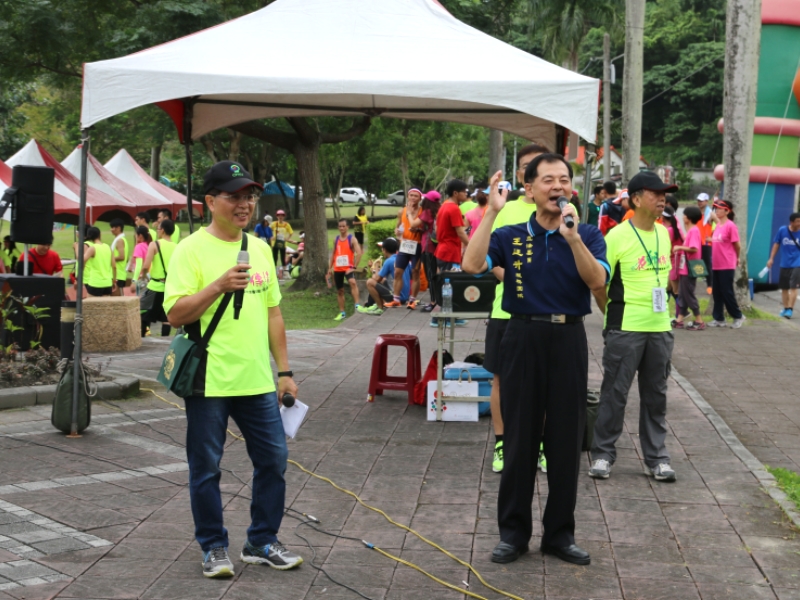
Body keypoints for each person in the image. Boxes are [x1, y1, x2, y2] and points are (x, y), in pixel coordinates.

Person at [463, 155, 609, 567]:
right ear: (529, 189)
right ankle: (513, 533)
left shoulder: (589, 235)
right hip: (522, 335)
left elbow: (597, 282)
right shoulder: (509, 234)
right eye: (548, 180)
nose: (558, 187)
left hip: (569, 338)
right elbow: (472, 265)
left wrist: (573, 237)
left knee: (565, 441)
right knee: (520, 439)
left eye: (564, 180)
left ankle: (560, 535)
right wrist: (490, 213)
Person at [164, 160, 302, 578]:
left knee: (274, 460)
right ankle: (213, 545)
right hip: (209, 380)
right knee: (206, 468)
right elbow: (174, 313)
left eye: (249, 196)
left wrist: (284, 372)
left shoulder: (260, 246)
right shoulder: (190, 249)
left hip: (257, 379)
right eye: (234, 196)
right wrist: (217, 286)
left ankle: (261, 540)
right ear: (210, 201)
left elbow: (273, 314)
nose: (244, 204)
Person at [589, 171, 678, 484]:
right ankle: (602, 453)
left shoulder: (664, 233)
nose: (662, 199)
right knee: (615, 393)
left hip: (660, 327)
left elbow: (663, 278)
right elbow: (599, 284)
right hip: (625, 328)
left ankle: (657, 458)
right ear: (636, 198)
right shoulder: (616, 237)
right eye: (656, 193)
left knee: (657, 395)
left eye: (664, 193)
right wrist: (611, 316)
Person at [479, 142, 549, 475]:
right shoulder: (505, 210)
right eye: (525, 165)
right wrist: (522, 281)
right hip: (506, 312)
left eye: (539, 164)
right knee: (501, 380)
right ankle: (503, 443)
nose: (531, 170)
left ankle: (537, 445)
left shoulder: (564, 211)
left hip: (546, 314)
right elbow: (488, 261)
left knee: (543, 381)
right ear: (521, 175)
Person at [385, 188, 423, 309]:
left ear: (420, 198)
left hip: (417, 245)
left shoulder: (423, 212)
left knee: (415, 272)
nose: (413, 198)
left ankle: (412, 300)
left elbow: (426, 230)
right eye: (411, 195)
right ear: (407, 196)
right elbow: (397, 226)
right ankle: (396, 299)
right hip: (404, 245)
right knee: (397, 272)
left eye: (416, 196)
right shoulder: (402, 211)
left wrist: (417, 230)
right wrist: (397, 231)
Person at [709, 199, 745, 328]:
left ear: (727, 211)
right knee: (717, 292)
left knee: (726, 291)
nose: (717, 210)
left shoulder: (731, 226)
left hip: (727, 264)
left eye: (720, 208)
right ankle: (719, 319)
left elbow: (737, 245)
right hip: (716, 264)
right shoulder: (718, 225)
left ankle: (738, 316)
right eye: (716, 208)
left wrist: (737, 258)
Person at [139, 219, 177, 337]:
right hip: (170, 287)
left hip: (155, 286)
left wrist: (143, 275)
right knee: (166, 317)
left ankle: (143, 338)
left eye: (158, 229)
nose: (157, 231)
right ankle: (165, 342)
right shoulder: (177, 246)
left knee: (142, 311)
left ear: (163, 230)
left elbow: (146, 265)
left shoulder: (154, 244)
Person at [357, 238, 411, 315]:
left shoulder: (388, 261)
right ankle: (373, 304)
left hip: (397, 298)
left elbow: (376, 279)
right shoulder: (403, 259)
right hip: (405, 296)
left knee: (369, 282)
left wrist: (375, 267)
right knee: (383, 280)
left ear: (384, 250)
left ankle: (380, 307)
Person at [672, 206, 705, 330]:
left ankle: (699, 320)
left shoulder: (694, 231)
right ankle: (680, 319)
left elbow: (694, 248)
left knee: (688, 294)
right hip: (685, 268)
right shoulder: (691, 230)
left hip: (689, 268)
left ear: (689, 218)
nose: (683, 216)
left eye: (684, 215)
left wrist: (679, 247)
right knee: (683, 294)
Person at [767, 212, 800, 318]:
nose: (799, 223)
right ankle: (785, 308)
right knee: (784, 288)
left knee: (793, 287)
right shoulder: (782, 230)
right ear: (791, 222)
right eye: (797, 221)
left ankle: (790, 309)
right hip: (784, 263)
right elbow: (776, 244)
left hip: (797, 263)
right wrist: (771, 258)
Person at [329, 219, 362, 321]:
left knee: (352, 282)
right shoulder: (336, 239)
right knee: (340, 290)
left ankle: (357, 305)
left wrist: (353, 267)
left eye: (343, 226)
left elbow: (359, 253)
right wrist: (329, 268)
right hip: (338, 268)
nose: (342, 228)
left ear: (348, 227)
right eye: (340, 226)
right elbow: (333, 253)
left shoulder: (352, 239)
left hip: (348, 268)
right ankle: (342, 312)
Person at [434, 179, 470, 272]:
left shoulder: (443, 206)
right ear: (455, 193)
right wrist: (470, 246)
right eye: (464, 191)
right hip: (450, 253)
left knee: (442, 282)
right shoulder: (454, 208)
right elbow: (460, 232)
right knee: (450, 284)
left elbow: (437, 229)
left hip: (442, 251)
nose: (466, 194)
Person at [76, 227, 116, 297]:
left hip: (95, 283)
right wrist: (114, 280)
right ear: (100, 234)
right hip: (107, 283)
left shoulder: (93, 248)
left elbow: (82, 260)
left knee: (90, 307)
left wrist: (80, 276)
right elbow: (114, 266)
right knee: (105, 307)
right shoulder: (108, 247)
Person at [418, 191, 441, 313]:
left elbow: (414, 223)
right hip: (438, 246)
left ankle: (433, 302)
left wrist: (410, 213)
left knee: (430, 275)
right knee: (437, 274)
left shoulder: (427, 212)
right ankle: (438, 299)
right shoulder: (439, 210)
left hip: (428, 246)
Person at [661, 206, 683, 310]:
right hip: (674, 262)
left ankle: (683, 313)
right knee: (667, 289)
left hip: (673, 263)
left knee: (675, 291)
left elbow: (664, 247)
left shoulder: (669, 230)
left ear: (663, 217)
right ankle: (661, 310)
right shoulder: (675, 228)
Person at [696, 192, 716, 292]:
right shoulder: (695, 212)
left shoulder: (710, 214)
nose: (699, 202)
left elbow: (720, 225)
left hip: (706, 243)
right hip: (696, 242)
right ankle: (694, 283)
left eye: (701, 201)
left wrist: (714, 237)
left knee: (708, 265)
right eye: (698, 200)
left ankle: (710, 285)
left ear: (706, 201)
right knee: (694, 263)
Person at [270, 209, 293, 278]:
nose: (280, 217)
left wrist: (287, 238)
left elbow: (291, 232)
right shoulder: (274, 224)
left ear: (284, 216)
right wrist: (271, 237)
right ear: (277, 216)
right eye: (279, 215)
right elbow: (268, 230)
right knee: (274, 258)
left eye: (282, 216)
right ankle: (274, 272)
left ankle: (285, 273)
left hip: (283, 244)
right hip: (275, 244)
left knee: (283, 258)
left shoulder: (286, 224)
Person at [109, 218, 129, 294]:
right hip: (120, 273)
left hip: (118, 274)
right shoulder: (123, 239)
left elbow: (122, 257)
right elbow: (126, 258)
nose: (111, 230)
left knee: (116, 301)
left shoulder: (120, 240)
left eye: (112, 227)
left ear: (119, 228)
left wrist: (109, 258)